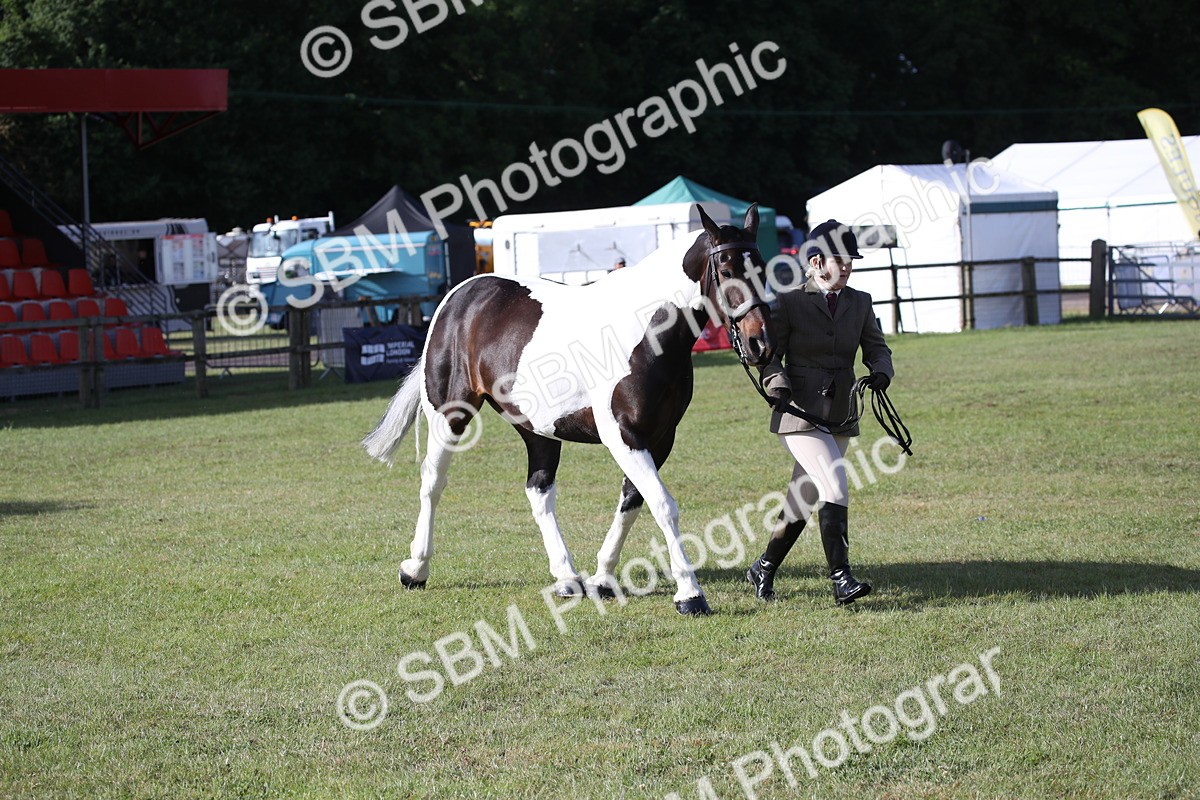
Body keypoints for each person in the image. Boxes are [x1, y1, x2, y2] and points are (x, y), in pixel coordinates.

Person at [746, 220, 894, 606]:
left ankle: (763, 567)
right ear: (815, 263)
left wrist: (881, 371)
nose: (847, 267)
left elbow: (876, 346)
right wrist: (776, 385)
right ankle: (841, 578)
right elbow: (769, 356)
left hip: (841, 409)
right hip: (799, 411)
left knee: (805, 495)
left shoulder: (860, 302)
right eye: (839, 260)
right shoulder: (788, 301)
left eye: (850, 261)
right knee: (835, 485)